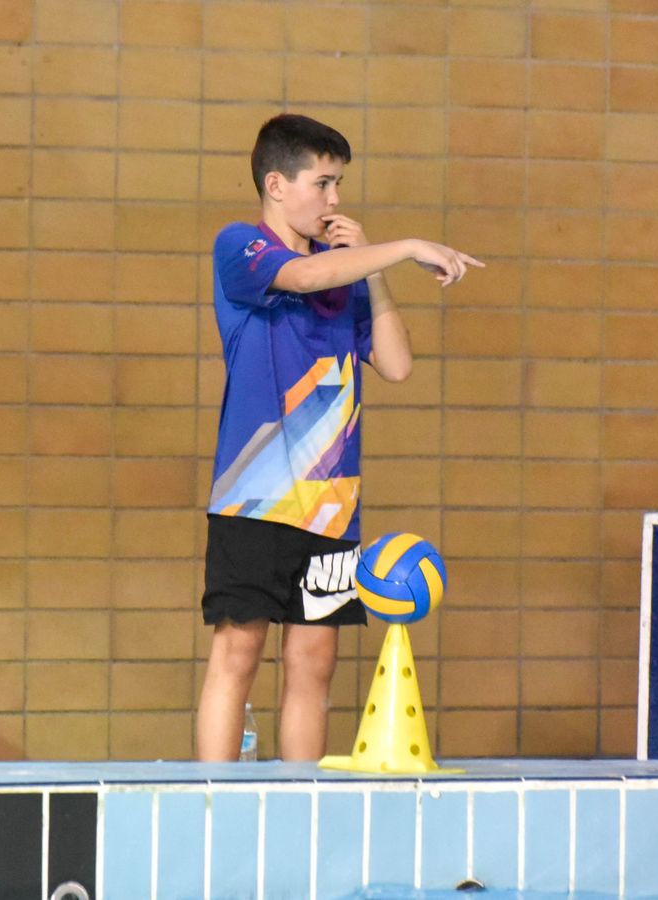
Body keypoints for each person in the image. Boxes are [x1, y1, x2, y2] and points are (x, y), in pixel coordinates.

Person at [195, 114, 484, 762]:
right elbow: (300, 278)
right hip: (252, 499)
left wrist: (373, 270)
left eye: (339, 185)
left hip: (331, 506)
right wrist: (406, 247)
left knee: (313, 661)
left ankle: (302, 811)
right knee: (239, 651)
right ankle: (207, 803)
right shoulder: (240, 247)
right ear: (276, 184)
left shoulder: (344, 273)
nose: (334, 200)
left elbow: (398, 364)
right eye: (323, 183)